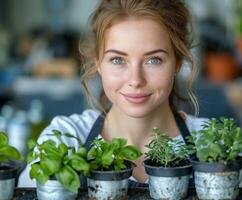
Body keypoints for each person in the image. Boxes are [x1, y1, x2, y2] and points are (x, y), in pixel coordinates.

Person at [18, 0, 207, 188]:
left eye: (153, 60)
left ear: (178, 63)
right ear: (98, 62)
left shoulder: (214, 143)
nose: (135, 80)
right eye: (117, 60)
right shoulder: (66, 139)